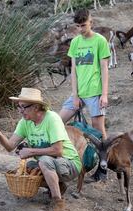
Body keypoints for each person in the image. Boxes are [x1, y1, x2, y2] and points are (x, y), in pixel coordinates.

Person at [0, 88, 81, 211]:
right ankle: (58, 185)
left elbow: (58, 150)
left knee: (44, 160)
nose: (20, 110)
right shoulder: (25, 122)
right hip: (53, 163)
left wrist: (31, 151)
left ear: (36, 107)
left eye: (23, 107)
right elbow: (10, 146)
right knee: (30, 167)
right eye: (19, 107)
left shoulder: (52, 118)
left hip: (70, 163)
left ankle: (57, 203)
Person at [58, 8, 110, 182]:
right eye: (78, 26)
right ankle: (65, 159)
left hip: (95, 92)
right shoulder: (75, 43)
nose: (81, 29)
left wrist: (104, 94)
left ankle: (103, 168)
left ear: (91, 22)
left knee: (99, 133)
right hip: (78, 92)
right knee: (58, 122)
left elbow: (104, 69)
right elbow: (73, 70)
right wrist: (74, 95)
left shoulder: (100, 41)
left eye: (84, 25)